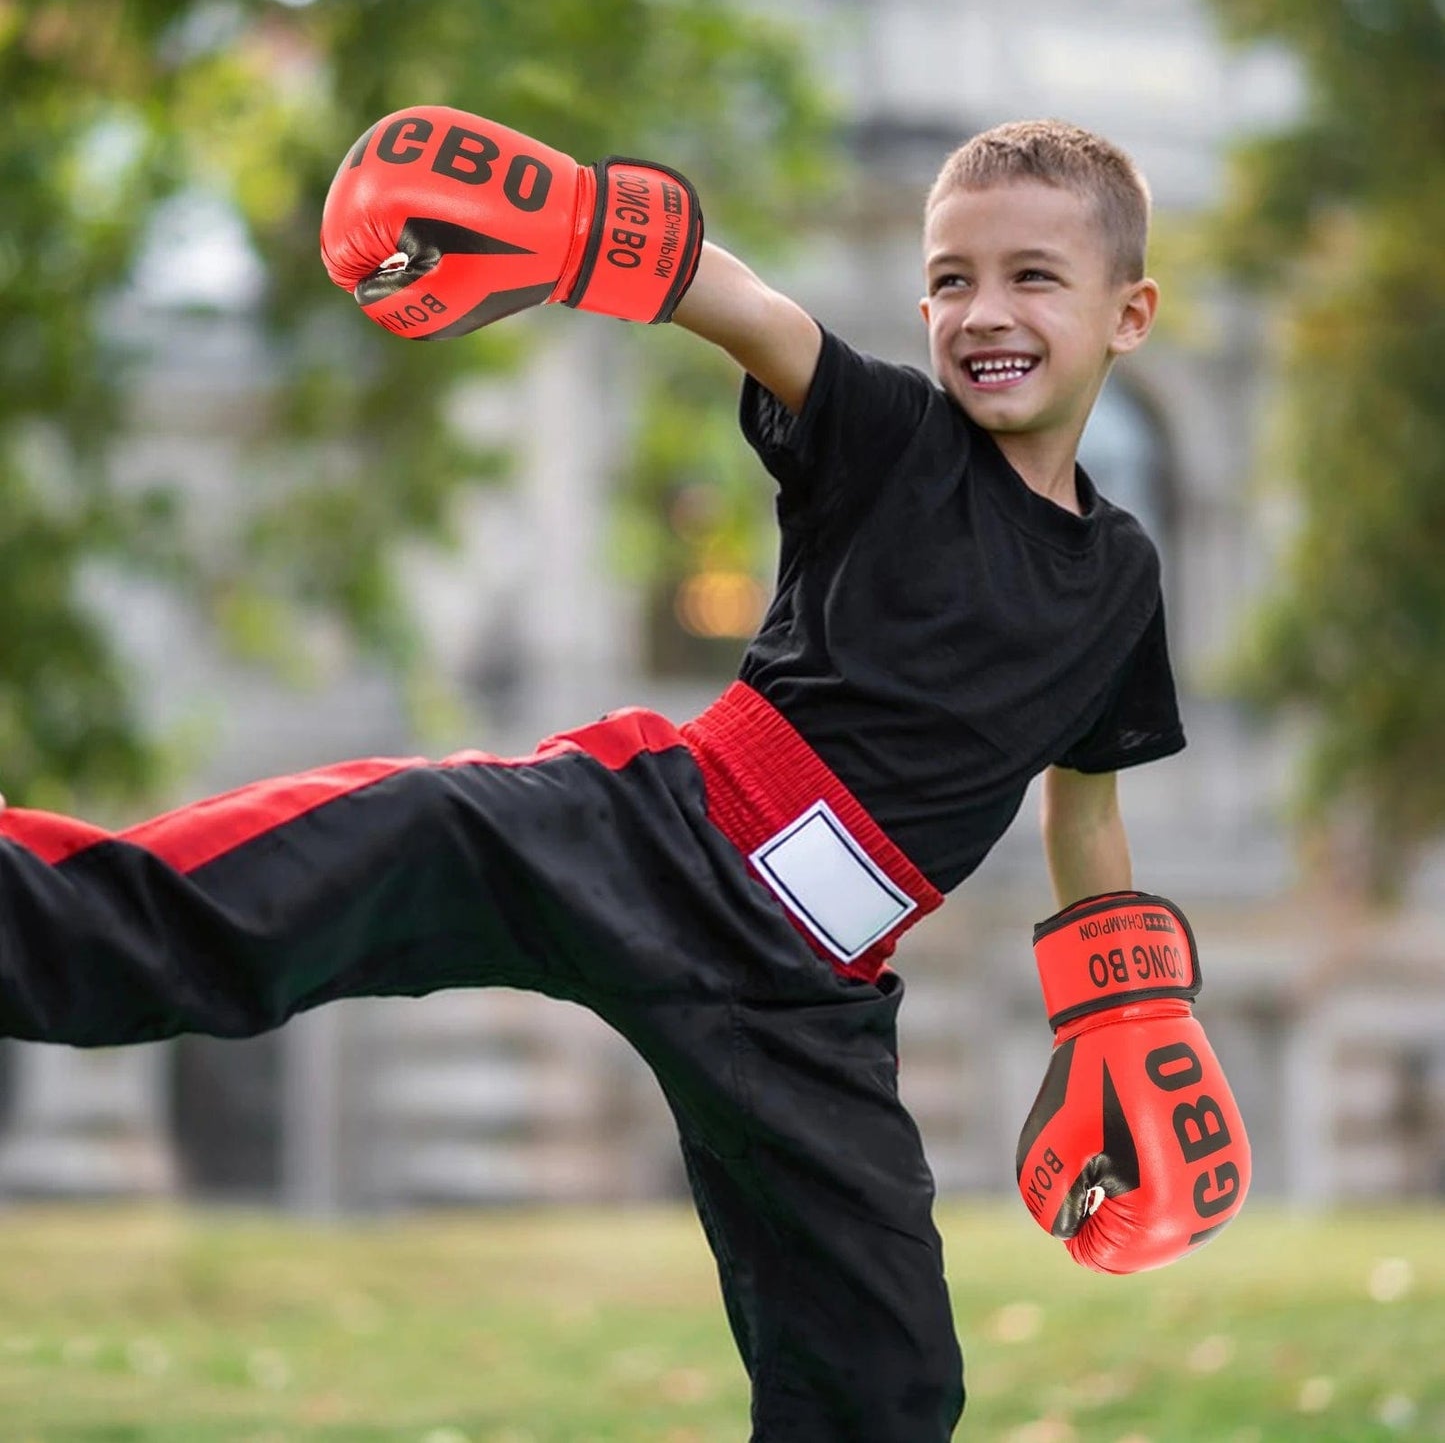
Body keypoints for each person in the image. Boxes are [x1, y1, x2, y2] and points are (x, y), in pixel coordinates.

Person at [0, 109, 1250, 1441]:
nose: (979, 310)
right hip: (649, 831)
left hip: (806, 1000)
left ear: (1129, 313)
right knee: (274, 886)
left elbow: (1085, 804)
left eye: (1031, 276)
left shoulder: (1122, 579)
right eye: (949, 277)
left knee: (887, 1383)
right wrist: (581, 226)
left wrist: (1113, 1027)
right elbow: (753, 311)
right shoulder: (892, 434)